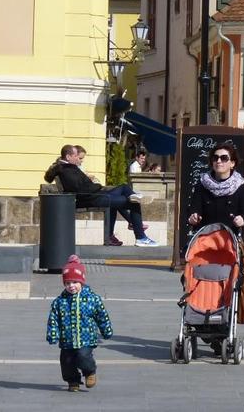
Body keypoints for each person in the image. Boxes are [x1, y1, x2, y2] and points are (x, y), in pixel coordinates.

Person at [44, 144, 157, 247]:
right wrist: (97, 186)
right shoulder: (67, 171)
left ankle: (132, 220)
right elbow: (81, 189)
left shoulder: (67, 168)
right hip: (91, 198)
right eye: (75, 156)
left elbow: (80, 186)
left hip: (94, 195)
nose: (78, 158)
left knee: (124, 187)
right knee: (133, 203)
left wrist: (95, 186)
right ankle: (141, 237)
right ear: (68, 157)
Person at [46, 255, 113, 392]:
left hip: (86, 338)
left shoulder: (92, 299)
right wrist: (53, 334)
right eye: (67, 283)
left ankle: (90, 372)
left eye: (74, 282)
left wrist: (106, 330)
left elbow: (101, 315)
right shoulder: (59, 302)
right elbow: (53, 319)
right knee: (66, 361)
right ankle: (73, 381)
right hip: (67, 339)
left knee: (83, 356)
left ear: (81, 282)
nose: (71, 286)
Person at [187, 142, 244, 233]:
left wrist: (243, 219)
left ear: (232, 163)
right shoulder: (202, 183)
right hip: (205, 238)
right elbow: (194, 209)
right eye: (215, 158)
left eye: (224, 158)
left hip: (229, 238)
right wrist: (193, 217)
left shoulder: (241, 185)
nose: (218, 161)